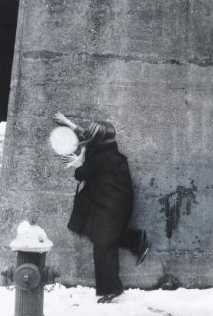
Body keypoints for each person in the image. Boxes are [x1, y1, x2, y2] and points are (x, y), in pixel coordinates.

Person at [53, 112, 150, 303]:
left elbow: (80, 175)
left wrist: (78, 162)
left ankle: (111, 289)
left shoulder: (99, 157)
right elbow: (85, 135)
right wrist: (67, 122)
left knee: (103, 246)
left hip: (111, 205)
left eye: (92, 132)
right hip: (115, 202)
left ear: (97, 137)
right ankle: (136, 240)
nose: (88, 133)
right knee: (104, 238)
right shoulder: (107, 148)